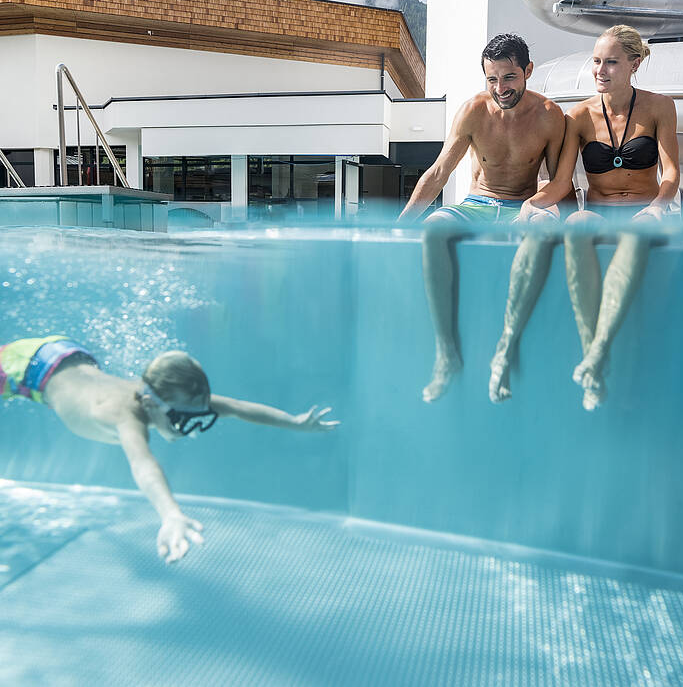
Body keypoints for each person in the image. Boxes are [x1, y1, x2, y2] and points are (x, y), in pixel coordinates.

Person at [0, 335, 338, 562]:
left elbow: (236, 407)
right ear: (150, 401)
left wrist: (294, 422)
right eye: (178, 416)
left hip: (62, 354)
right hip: (26, 369)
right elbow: (143, 465)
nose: (184, 425)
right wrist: (170, 513)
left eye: (196, 414)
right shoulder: (127, 414)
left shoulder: (163, 398)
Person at [492, 24, 678, 411]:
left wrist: (657, 207)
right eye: (596, 61)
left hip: (642, 211)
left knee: (634, 236)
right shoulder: (577, 116)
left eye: (611, 62)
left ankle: (595, 360)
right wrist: (534, 203)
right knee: (575, 225)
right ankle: (593, 356)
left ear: (634, 64)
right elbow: (562, 183)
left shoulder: (661, 107)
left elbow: (671, 174)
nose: (600, 70)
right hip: (597, 212)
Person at [398, 33, 568, 402]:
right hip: (477, 204)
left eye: (509, 78)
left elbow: (557, 184)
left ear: (528, 71)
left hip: (523, 205)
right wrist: (401, 225)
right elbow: (439, 172)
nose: (500, 88)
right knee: (433, 229)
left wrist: (538, 212)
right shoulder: (473, 111)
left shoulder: (550, 116)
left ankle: (508, 349)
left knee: (546, 231)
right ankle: (446, 354)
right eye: (492, 79)